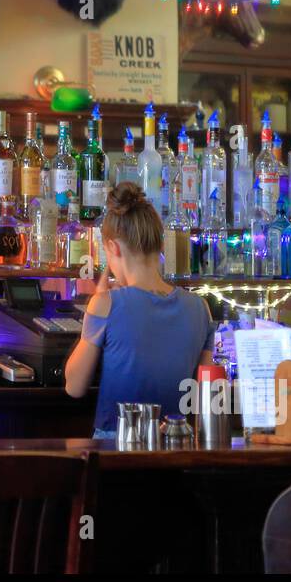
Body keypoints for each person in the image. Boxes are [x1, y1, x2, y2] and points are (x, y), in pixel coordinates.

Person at [64, 181, 215, 437]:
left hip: (117, 451)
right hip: (173, 447)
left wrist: (96, 307)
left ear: (112, 248)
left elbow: (75, 386)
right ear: (160, 245)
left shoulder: (105, 304)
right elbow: (205, 395)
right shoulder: (200, 309)